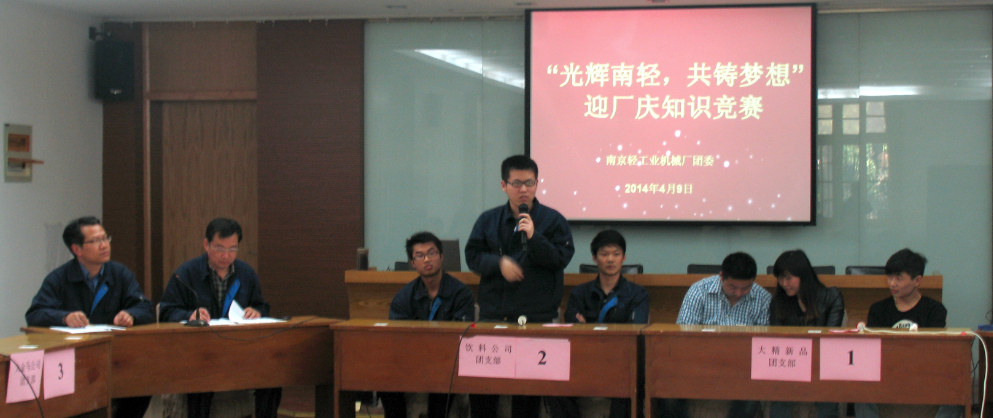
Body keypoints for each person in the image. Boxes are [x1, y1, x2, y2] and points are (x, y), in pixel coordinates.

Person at [465, 155, 575, 418]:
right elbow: (472, 256)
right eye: (516, 183)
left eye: (529, 182)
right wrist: (498, 262)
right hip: (495, 315)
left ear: (537, 184)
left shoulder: (553, 220)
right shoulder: (488, 220)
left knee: (526, 394)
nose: (523, 189)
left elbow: (560, 259)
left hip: (535, 317)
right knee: (484, 390)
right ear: (504, 185)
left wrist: (534, 237)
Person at [25, 216, 154, 418]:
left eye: (105, 238)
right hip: (75, 363)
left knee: (142, 383)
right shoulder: (59, 278)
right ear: (77, 249)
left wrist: (131, 315)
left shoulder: (120, 274)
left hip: (115, 358)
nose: (104, 245)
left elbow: (145, 307)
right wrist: (64, 317)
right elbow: (35, 314)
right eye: (95, 241)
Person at [158, 218, 281, 418]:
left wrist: (256, 311)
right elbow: (166, 312)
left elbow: (262, 305)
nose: (226, 255)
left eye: (232, 249)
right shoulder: (185, 274)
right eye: (220, 248)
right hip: (200, 352)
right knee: (202, 375)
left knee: (272, 374)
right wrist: (189, 315)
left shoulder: (246, 274)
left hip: (240, 351)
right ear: (206, 244)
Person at [546, 230, 648, 418]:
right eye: (604, 254)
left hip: (620, 362)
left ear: (624, 258)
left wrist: (589, 327)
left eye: (616, 254)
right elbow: (573, 330)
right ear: (594, 258)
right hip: (584, 360)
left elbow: (634, 332)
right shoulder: (579, 293)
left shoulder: (637, 294)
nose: (610, 259)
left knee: (631, 377)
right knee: (553, 379)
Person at [855, 249, 960, 418]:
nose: (892, 284)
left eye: (899, 278)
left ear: (917, 280)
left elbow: (935, 352)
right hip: (887, 371)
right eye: (889, 277)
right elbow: (872, 351)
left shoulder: (935, 310)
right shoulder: (878, 309)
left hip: (923, 372)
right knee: (859, 381)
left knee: (956, 383)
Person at [664, 252, 771, 418]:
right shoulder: (699, 291)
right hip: (699, 364)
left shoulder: (763, 299)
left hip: (742, 369)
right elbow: (683, 338)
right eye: (733, 287)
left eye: (746, 288)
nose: (738, 293)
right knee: (667, 388)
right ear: (722, 277)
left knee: (752, 393)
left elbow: (764, 346)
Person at [380, 231, 475, 418]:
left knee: (443, 377)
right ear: (413, 263)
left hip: (448, 362)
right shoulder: (403, 297)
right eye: (419, 255)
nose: (427, 259)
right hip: (413, 362)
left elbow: (464, 337)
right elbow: (398, 340)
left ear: (441, 257)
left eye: (431, 253)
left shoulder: (461, 294)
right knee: (385, 379)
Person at [767, 249, 844, 418]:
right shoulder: (778, 302)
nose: (784, 283)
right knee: (779, 387)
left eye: (789, 278)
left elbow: (831, 338)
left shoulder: (831, 297)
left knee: (826, 387)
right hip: (789, 362)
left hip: (823, 361)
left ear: (804, 276)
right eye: (780, 278)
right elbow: (776, 340)